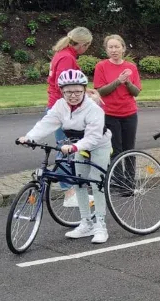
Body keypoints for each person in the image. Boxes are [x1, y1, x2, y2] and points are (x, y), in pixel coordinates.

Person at [19, 69, 112, 244]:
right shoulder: (60, 105)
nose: (73, 95)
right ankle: (86, 223)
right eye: (68, 91)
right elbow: (47, 123)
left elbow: (93, 137)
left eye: (78, 91)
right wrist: (30, 137)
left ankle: (101, 226)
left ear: (84, 90)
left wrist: (75, 146)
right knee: (78, 182)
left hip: (98, 144)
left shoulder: (94, 109)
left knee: (96, 182)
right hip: (76, 146)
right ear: (62, 91)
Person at [48, 26, 94, 206]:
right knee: (66, 149)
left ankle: (71, 189)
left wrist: (84, 90)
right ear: (82, 43)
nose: (87, 49)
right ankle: (69, 191)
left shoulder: (62, 54)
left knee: (66, 147)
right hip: (62, 109)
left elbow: (69, 83)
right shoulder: (67, 58)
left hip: (58, 106)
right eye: (87, 46)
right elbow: (64, 88)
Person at [94, 34, 142, 197]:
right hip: (109, 114)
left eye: (117, 47)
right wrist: (118, 81)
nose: (114, 50)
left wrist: (127, 81)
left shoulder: (131, 67)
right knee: (115, 149)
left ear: (123, 48)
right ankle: (118, 182)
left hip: (129, 113)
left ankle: (129, 184)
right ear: (106, 50)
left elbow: (136, 92)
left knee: (129, 149)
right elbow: (100, 90)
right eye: (110, 47)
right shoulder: (101, 66)